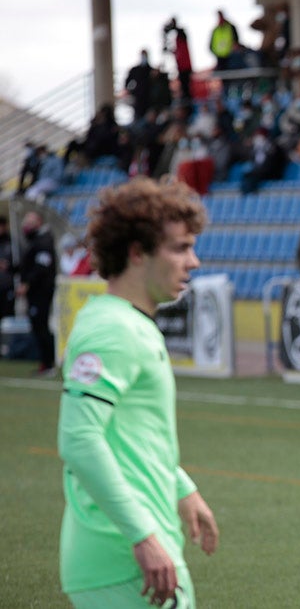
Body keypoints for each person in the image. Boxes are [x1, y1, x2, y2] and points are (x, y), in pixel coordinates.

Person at [57, 178, 218, 608]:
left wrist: (180, 485)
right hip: (125, 559)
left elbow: (131, 432)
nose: (194, 261)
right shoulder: (113, 329)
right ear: (136, 252)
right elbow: (79, 438)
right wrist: (142, 536)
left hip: (131, 552)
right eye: (180, 248)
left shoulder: (125, 322)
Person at [17, 211, 58, 375]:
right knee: (38, 326)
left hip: (41, 292)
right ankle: (45, 362)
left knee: (41, 326)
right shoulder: (35, 241)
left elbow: (41, 268)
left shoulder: (44, 241)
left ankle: (48, 364)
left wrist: (27, 283)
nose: (26, 226)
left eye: (30, 222)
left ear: (39, 222)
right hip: (36, 291)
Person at [124, 49, 153, 120]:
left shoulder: (151, 70)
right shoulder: (136, 70)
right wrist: (129, 91)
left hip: (149, 98)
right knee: (138, 116)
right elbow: (127, 81)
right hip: (138, 97)